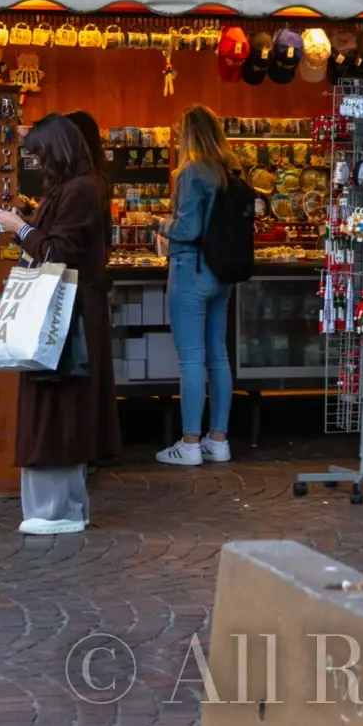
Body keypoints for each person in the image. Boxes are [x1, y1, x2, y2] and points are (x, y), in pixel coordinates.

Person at [0, 114, 121, 534]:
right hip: (70, 311)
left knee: (56, 406)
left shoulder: (80, 189)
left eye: (40, 156)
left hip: (67, 315)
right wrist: (27, 227)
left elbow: (59, 251)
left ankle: (55, 510)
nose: (38, 164)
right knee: (60, 405)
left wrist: (22, 227)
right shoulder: (81, 186)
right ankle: (60, 507)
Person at [152, 105, 237, 468]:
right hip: (222, 271)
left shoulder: (190, 170)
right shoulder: (229, 169)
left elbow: (187, 230)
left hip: (191, 269)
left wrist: (157, 224)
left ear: (188, 135)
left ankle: (188, 443)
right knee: (218, 356)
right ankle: (218, 439)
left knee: (190, 360)